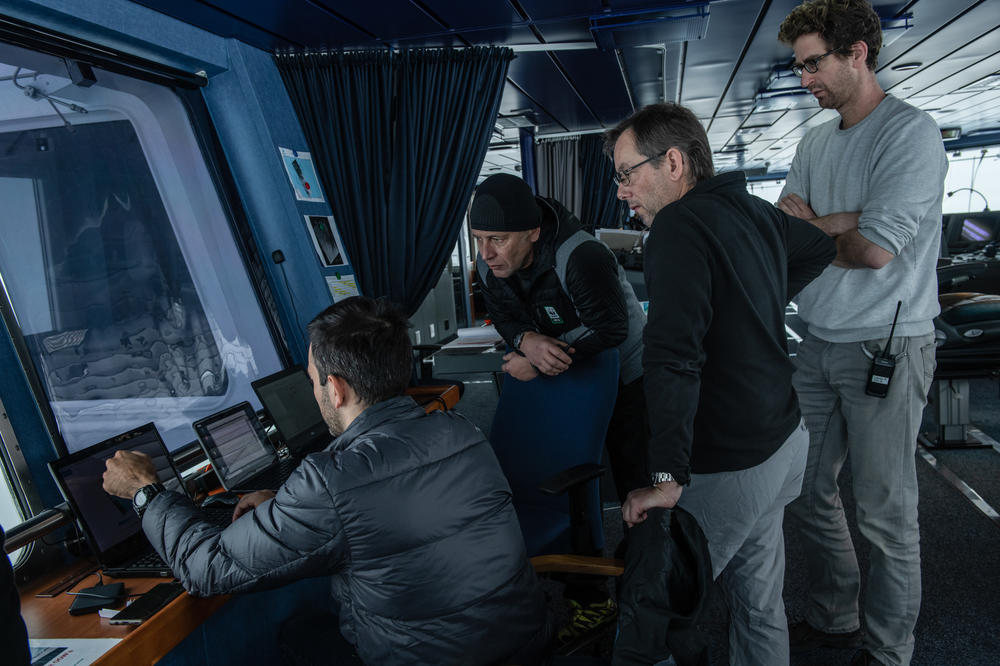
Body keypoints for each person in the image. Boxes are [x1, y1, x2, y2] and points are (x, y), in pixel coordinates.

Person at [102, 296, 549, 665]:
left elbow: (208, 568)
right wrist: (283, 504)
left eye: (314, 381)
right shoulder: (461, 430)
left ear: (336, 389)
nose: (316, 392)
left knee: (298, 635)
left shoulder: (331, 482)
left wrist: (147, 493)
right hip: (522, 647)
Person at [605, 102, 835, 665]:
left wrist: (664, 477)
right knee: (759, 603)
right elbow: (819, 246)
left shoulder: (677, 227)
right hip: (783, 443)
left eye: (627, 172)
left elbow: (673, 361)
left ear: (674, 162)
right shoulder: (750, 209)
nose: (621, 191)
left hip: (732, 460)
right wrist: (756, 299)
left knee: (652, 612)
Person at [776, 2, 947, 665]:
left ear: (857, 54)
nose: (804, 80)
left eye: (812, 63)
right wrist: (834, 223)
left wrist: (822, 226)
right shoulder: (815, 141)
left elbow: (875, 250)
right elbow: (788, 236)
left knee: (883, 510)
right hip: (817, 340)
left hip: (889, 344)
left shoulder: (909, 134)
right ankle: (835, 614)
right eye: (798, 67)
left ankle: (888, 648)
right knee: (804, 488)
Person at [469, 173, 648, 639]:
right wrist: (526, 341)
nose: (486, 254)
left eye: (497, 240)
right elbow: (506, 319)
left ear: (532, 233)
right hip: (555, 361)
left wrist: (542, 355)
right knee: (560, 471)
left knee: (637, 487)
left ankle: (648, 594)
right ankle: (588, 592)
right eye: (478, 240)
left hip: (625, 368)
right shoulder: (491, 264)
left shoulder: (580, 255)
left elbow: (610, 329)